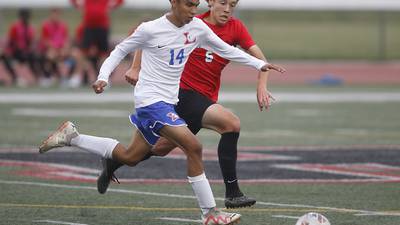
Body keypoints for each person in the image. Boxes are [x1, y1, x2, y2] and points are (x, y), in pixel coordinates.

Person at [39, 0, 284, 224]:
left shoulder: (196, 28)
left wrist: (259, 64)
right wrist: (103, 77)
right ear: (173, 3)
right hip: (150, 102)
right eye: (188, 5)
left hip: (169, 102)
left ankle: (72, 137)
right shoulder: (150, 29)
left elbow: (226, 49)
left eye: (195, 5)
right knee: (194, 147)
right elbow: (119, 51)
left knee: (130, 156)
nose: (193, 10)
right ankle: (210, 214)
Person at [100, 0, 286, 209]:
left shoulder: (235, 27)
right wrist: (135, 67)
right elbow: (149, 38)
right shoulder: (190, 20)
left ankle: (115, 160)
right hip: (184, 93)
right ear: (210, 2)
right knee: (231, 124)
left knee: (158, 149)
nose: (227, 9)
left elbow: (259, 60)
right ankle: (232, 194)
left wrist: (261, 84)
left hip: (204, 99)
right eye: (223, 3)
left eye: (232, 5)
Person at [68, 0, 124, 87]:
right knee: (83, 52)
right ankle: (77, 77)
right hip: (88, 26)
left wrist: (112, 6)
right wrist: (78, 5)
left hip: (102, 26)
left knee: (103, 54)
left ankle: (104, 78)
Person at [0, 8, 40, 86]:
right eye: (24, 16)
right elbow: (11, 40)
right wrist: (8, 50)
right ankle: (15, 77)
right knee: (4, 57)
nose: (25, 18)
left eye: (27, 16)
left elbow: (32, 41)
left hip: (27, 52)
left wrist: (31, 48)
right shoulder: (15, 27)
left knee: (36, 57)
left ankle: (38, 77)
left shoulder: (31, 28)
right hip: (16, 51)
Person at [38, 8, 69, 87]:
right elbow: (45, 40)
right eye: (54, 14)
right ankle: (47, 77)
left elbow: (66, 39)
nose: (55, 16)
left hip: (60, 49)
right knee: (50, 55)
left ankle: (63, 78)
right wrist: (53, 47)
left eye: (57, 14)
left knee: (63, 55)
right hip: (50, 49)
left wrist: (64, 48)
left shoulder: (63, 26)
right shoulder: (46, 25)